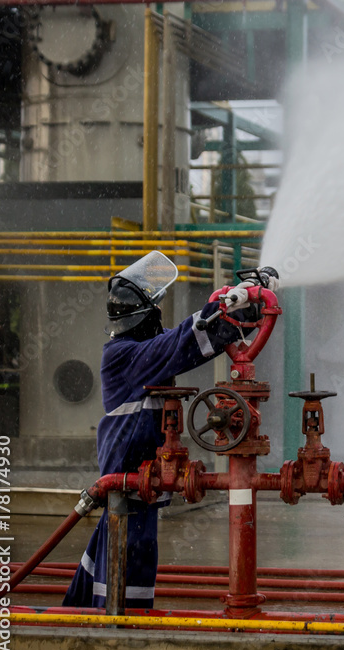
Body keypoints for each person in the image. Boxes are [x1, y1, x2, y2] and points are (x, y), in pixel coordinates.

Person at [63, 252, 278, 609]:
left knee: (111, 564)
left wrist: (239, 303)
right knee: (124, 573)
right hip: (126, 484)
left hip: (138, 484)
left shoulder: (141, 347)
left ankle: (84, 624)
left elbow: (186, 337)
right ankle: (113, 637)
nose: (160, 315)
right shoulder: (122, 355)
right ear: (142, 317)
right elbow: (184, 342)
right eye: (154, 309)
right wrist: (243, 300)